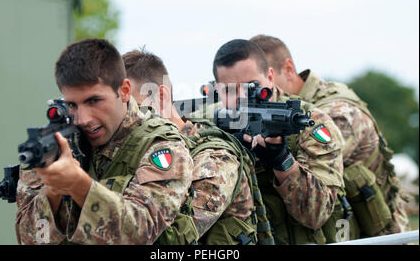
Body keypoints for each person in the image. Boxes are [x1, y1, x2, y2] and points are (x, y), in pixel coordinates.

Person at [15, 38, 194, 244]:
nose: (83, 119)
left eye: (94, 101)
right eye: (72, 105)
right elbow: (31, 239)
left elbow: (142, 231)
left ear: (125, 91)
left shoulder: (162, 146)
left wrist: (77, 184)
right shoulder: (53, 147)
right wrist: (53, 191)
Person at [250, 34, 410, 236]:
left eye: (261, 82)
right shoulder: (291, 107)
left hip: (380, 234)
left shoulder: (338, 112)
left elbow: (312, 167)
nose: (259, 94)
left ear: (288, 70)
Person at [123, 49, 274, 245]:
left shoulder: (214, 158)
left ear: (161, 96)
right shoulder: (139, 150)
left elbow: (173, 239)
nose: (126, 119)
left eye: (133, 108)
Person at [211, 39, 347, 244]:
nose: (242, 97)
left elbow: (317, 215)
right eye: (230, 90)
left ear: (270, 77)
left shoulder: (311, 124)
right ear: (217, 89)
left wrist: (281, 160)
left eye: (251, 87)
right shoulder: (211, 122)